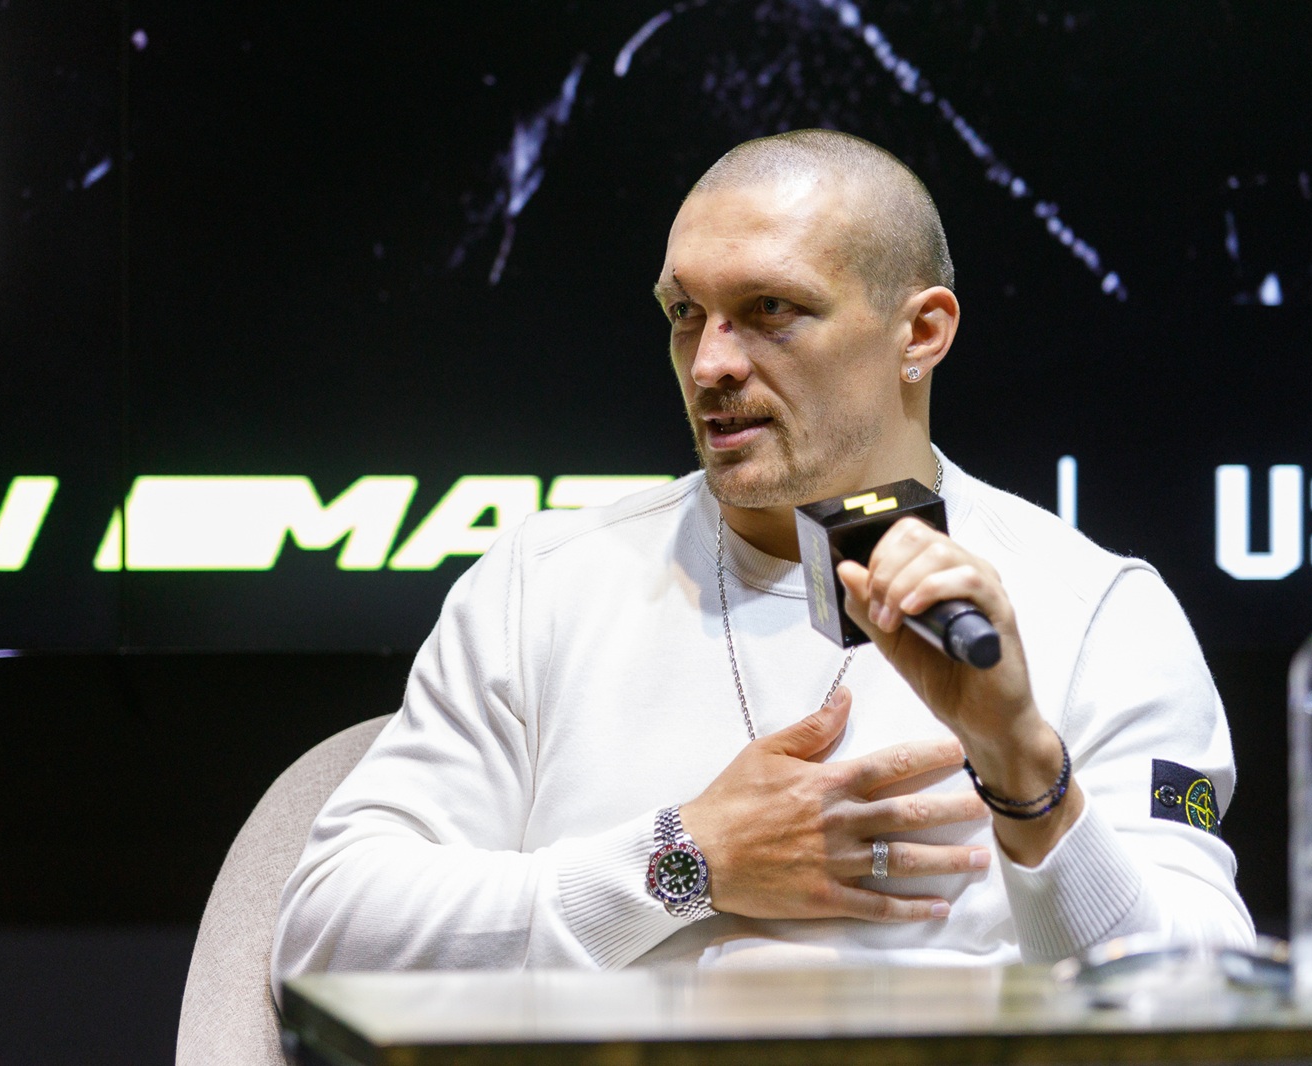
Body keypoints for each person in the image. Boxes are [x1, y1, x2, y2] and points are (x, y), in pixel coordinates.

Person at [272, 130, 1254, 986]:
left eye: (771, 308)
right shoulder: (547, 583)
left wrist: (1026, 773)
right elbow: (325, 934)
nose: (710, 364)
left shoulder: (1096, 610)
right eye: (684, 313)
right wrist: (684, 862)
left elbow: (1198, 995)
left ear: (920, 332)